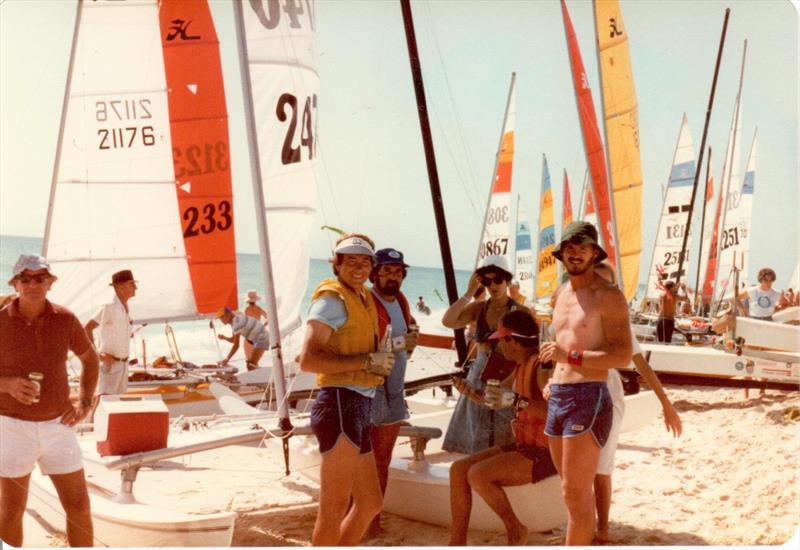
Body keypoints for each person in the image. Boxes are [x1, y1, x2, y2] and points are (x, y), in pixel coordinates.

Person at [539, 221, 632, 546]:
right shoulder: (560, 294)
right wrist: (552, 377)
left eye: (583, 248)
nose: (575, 253)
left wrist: (572, 357)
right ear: (561, 254)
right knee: (571, 494)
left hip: (588, 396)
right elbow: (559, 342)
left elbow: (622, 356)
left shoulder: (608, 296)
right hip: (559, 396)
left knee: (575, 493)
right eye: (570, 248)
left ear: (594, 253)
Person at [298, 233, 394, 546]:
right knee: (333, 509)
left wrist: (376, 362)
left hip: (358, 405)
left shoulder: (362, 297)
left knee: (369, 504)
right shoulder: (331, 299)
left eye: (364, 261)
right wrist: (368, 361)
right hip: (339, 402)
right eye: (349, 260)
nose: (358, 267)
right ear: (337, 264)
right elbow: (308, 359)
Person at [0, 254, 99, 547]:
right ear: (15, 283)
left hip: (59, 426)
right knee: (11, 512)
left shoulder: (65, 319)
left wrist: (84, 402)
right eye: (26, 278)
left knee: (79, 506)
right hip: (11, 428)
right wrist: (7, 385)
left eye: (40, 278)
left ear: (51, 282)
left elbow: (89, 359)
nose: (33, 284)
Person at [590, 261, 683, 544]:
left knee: (601, 468)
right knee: (576, 469)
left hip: (607, 397)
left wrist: (666, 404)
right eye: (596, 284)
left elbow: (642, 366)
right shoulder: (572, 317)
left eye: (608, 285)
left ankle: (602, 529)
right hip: (574, 394)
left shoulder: (618, 326)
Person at [448, 309, 556, 546]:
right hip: (525, 446)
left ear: (512, 341)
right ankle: (457, 542)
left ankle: (515, 528)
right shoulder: (520, 366)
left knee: (478, 474)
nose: (499, 347)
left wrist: (516, 401)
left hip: (546, 453)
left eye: (501, 341)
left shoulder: (541, 367)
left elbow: (554, 413)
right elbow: (493, 399)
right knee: (458, 470)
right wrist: (469, 392)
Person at [441, 255, 525, 454]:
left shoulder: (520, 312)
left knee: (500, 443)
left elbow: (528, 354)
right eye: (486, 281)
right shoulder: (479, 309)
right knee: (474, 443)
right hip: (477, 378)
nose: (493, 285)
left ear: (507, 280)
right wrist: (469, 293)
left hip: (505, 378)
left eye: (498, 280)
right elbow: (449, 321)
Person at [367, 248, 418, 535]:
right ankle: (360, 515)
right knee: (365, 459)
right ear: (374, 273)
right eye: (386, 270)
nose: (392, 276)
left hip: (395, 390)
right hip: (371, 390)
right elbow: (365, 345)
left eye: (397, 271)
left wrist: (408, 343)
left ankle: (374, 518)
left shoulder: (400, 300)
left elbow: (404, 347)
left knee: (383, 459)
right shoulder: (366, 300)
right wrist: (401, 342)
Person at [84, 269, 137, 398]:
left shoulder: (126, 308)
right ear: (120, 288)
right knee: (104, 399)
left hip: (123, 365)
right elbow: (87, 328)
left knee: (117, 403)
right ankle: (92, 419)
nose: (136, 287)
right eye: (132, 284)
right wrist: (97, 354)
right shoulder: (108, 307)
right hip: (111, 365)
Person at [216, 306, 269, 371]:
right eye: (220, 318)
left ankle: (267, 376)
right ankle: (262, 375)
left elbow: (236, 345)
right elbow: (233, 340)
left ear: (229, 314)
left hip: (261, 338)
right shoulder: (235, 321)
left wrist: (227, 358)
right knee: (251, 364)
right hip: (258, 338)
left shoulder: (236, 323)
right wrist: (224, 338)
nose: (221, 320)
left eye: (222, 317)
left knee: (251, 365)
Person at [243, 289, 268, 360]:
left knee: (248, 358)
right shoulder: (259, 309)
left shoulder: (246, 309)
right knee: (255, 358)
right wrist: (263, 326)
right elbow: (269, 317)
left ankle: (251, 369)